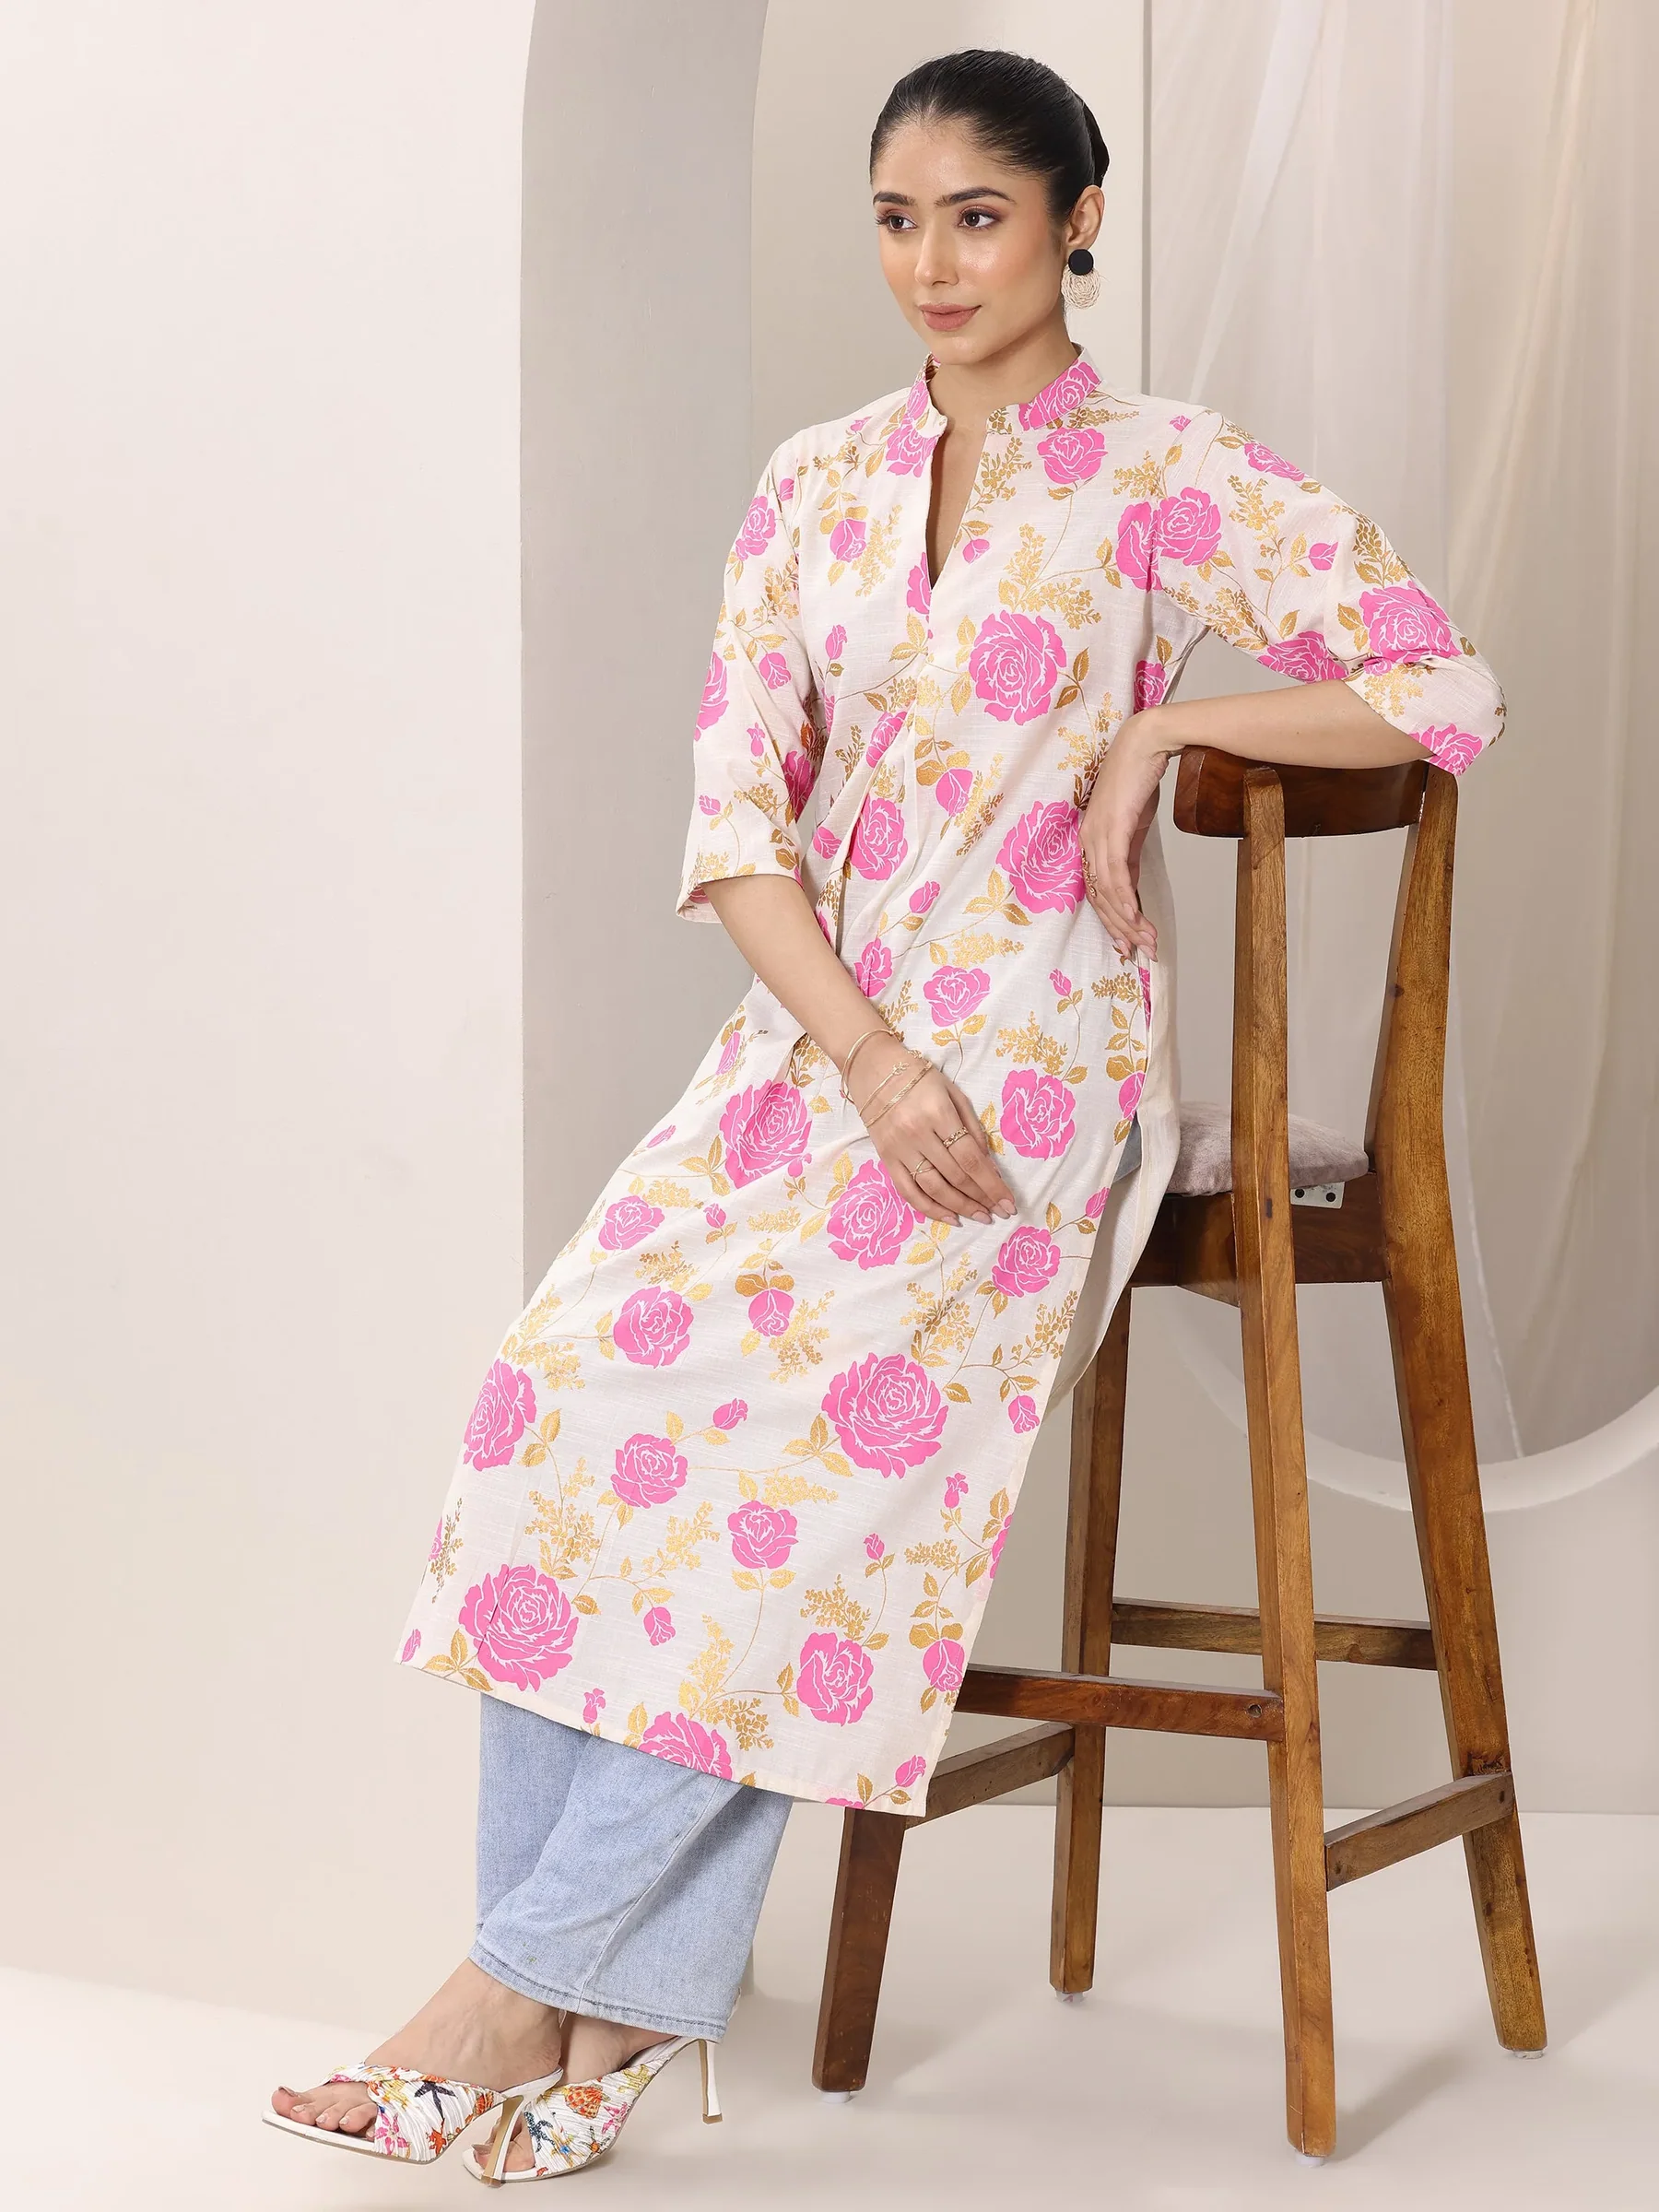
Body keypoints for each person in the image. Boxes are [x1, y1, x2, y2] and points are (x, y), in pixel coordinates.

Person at [265, 45, 1504, 2182]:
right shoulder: (813, 485)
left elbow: (1443, 684)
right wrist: (859, 1050)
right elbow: (738, 829)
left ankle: (511, 1995)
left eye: (981, 218)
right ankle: (596, 2025)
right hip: (818, 1065)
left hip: (1027, 1084)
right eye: (899, 221)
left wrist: (1170, 731)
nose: (935, 264)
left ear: (1076, 224)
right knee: (558, 1406)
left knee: (814, 1480)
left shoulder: (1162, 475)